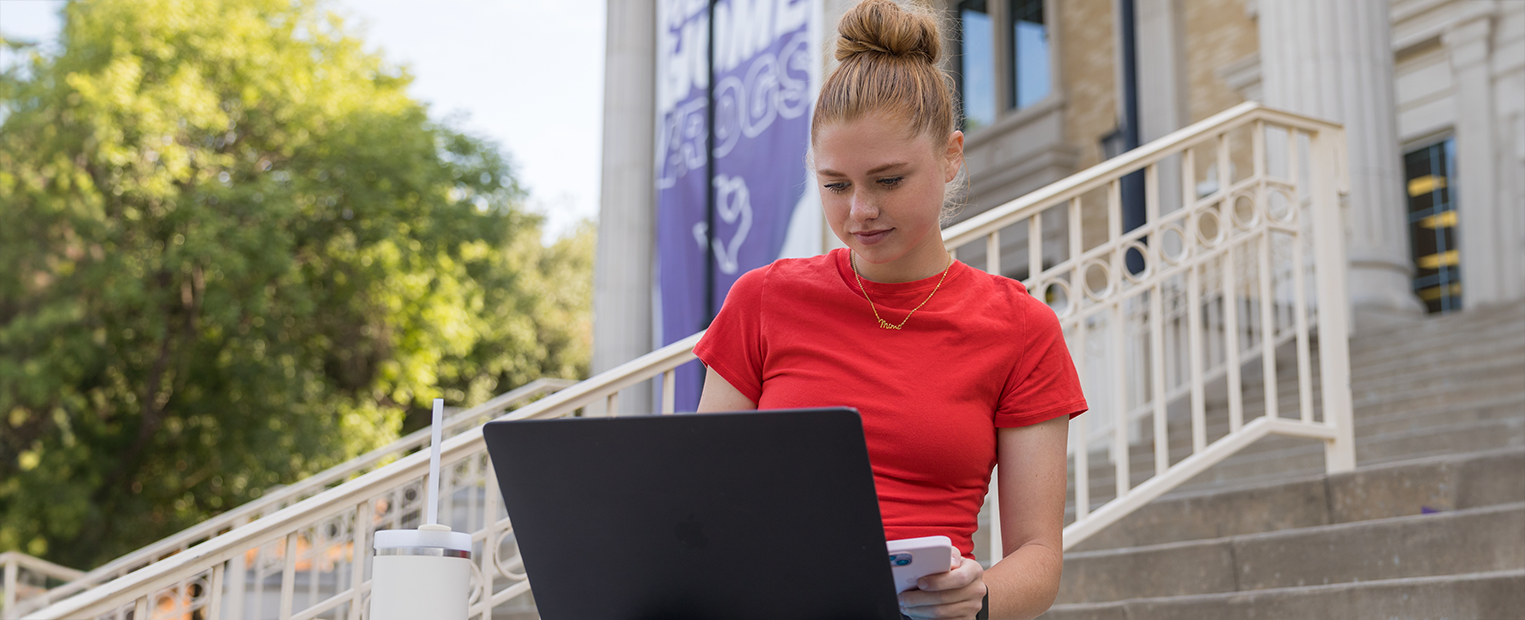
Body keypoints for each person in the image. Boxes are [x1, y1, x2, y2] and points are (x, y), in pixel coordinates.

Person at [693, 0, 1088, 618]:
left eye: (889, 180)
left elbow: (1038, 557)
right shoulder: (763, 301)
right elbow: (703, 502)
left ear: (952, 155)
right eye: (836, 184)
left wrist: (976, 599)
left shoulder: (1021, 329)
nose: (859, 213)